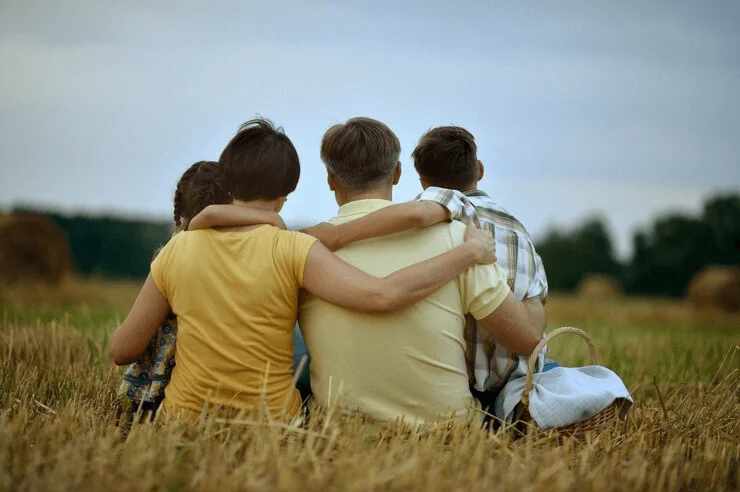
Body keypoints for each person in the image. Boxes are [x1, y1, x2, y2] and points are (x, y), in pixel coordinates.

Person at [108, 118, 498, 422]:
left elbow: (121, 350)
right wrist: (466, 254)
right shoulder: (295, 248)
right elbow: (383, 295)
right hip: (274, 426)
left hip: (183, 422)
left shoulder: (178, 249)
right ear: (286, 194)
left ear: (227, 181)